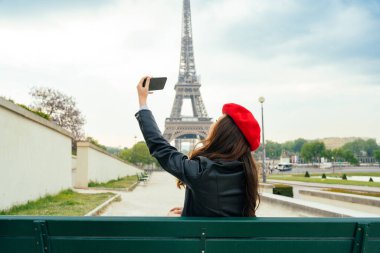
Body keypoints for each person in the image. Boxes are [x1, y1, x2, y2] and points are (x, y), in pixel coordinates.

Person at [135, 76, 261, 217]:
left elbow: (161, 147)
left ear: (222, 133)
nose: (213, 124)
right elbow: (224, 210)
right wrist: (193, 210)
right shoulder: (248, 173)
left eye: (217, 122)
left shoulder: (201, 171)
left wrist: (143, 102)